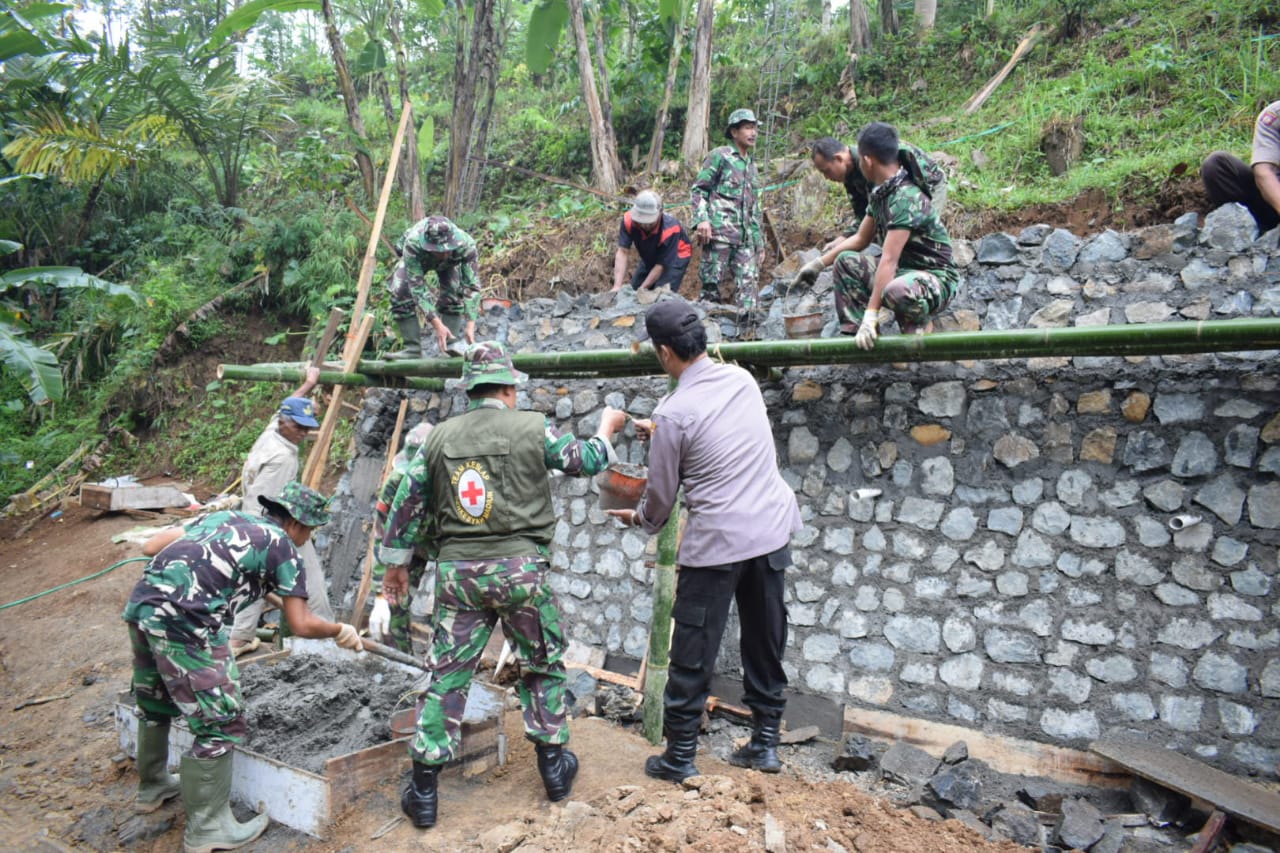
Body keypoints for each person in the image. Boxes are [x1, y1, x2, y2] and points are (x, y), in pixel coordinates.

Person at [380, 341, 627, 829]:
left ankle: (425, 792)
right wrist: (607, 428)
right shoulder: (532, 426)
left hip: (460, 576)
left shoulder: (437, 438)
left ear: (470, 389)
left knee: (446, 676)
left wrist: (396, 564)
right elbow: (584, 460)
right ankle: (555, 770)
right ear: (510, 387)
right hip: (522, 574)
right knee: (541, 665)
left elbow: (406, 497)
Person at [606, 299, 801, 782]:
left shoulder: (673, 413)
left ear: (665, 351)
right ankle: (766, 745)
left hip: (717, 544)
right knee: (764, 640)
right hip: (771, 532)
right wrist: (666, 432)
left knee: (693, 649)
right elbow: (718, 433)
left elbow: (661, 501)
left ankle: (679, 756)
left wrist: (637, 519)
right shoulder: (742, 380)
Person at [122, 483, 363, 852]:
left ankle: (153, 785)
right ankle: (208, 829)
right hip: (187, 621)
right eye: (311, 530)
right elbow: (301, 625)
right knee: (221, 721)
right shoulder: (284, 548)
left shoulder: (226, 517)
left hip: (144, 607)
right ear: (296, 523)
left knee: (155, 700)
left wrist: (252, 586)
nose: (308, 539)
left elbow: (151, 547)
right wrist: (338, 630)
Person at [794, 122, 960, 349]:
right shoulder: (880, 194)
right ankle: (864, 343)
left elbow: (888, 260)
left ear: (867, 160)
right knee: (846, 262)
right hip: (905, 274)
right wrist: (818, 263)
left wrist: (871, 315)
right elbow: (861, 239)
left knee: (896, 289)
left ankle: (918, 325)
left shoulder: (905, 198)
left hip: (934, 278)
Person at [229, 369, 334, 655]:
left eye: (307, 427)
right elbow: (265, 503)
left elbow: (289, 403)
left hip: (253, 525)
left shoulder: (272, 432)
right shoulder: (283, 459)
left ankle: (238, 637)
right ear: (284, 422)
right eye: (297, 427)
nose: (303, 433)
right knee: (310, 582)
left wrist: (309, 384)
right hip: (271, 526)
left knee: (255, 579)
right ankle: (324, 638)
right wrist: (278, 541)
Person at [367, 421, 435, 654]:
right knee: (395, 601)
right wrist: (379, 594)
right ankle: (399, 659)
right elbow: (381, 536)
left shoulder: (450, 482)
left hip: (450, 547)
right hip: (406, 547)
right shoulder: (395, 483)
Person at [810, 135, 948, 248]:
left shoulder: (869, 160)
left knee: (922, 237)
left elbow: (888, 203)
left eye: (826, 171)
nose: (827, 178)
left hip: (929, 185)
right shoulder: (849, 173)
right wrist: (844, 237)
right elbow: (863, 213)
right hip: (900, 196)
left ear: (839, 158)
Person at [691, 108, 764, 310]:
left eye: (755, 128)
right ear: (734, 132)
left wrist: (759, 241)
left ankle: (749, 334)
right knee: (711, 290)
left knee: (749, 290)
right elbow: (699, 190)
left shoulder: (751, 164)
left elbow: (755, 206)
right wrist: (702, 220)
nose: (753, 133)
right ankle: (708, 336)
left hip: (745, 239)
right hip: (719, 235)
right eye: (748, 128)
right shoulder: (720, 156)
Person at [385, 215, 482, 359]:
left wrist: (470, 324)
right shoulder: (413, 243)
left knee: (453, 292)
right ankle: (412, 350)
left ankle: (450, 346)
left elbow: (472, 286)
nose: (443, 254)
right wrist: (437, 325)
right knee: (400, 290)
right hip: (420, 258)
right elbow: (417, 289)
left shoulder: (466, 244)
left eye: (447, 249)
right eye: (438, 250)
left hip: (451, 263)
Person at [1201, 100, 1280, 235]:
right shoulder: (1274, 115)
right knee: (1216, 165)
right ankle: (1248, 233)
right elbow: (1263, 172)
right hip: (1273, 201)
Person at [611, 190, 693, 293]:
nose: (645, 225)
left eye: (649, 221)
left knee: (660, 294)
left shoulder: (670, 229)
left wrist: (642, 289)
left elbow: (661, 266)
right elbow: (622, 252)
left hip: (677, 255)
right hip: (651, 255)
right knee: (633, 290)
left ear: (660, 213)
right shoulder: (629, 221)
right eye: (641, 220)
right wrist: (617, 286)